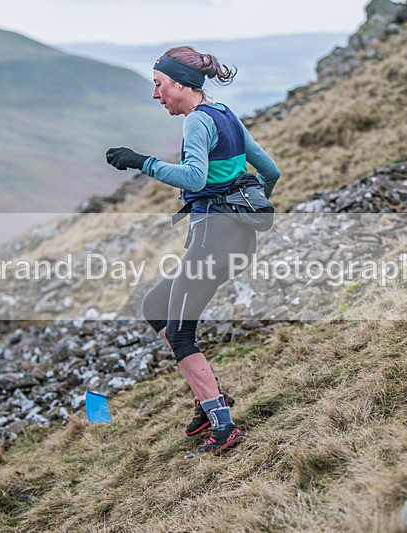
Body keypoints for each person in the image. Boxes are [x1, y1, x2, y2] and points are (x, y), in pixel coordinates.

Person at [106, 45, 280, 460]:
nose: (156, 94)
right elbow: (269, 171)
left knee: (181, 332)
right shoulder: (225, 114)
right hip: (233, 240)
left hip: (212, 242)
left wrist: (142, 162)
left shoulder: (198, 121)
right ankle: (208, 399)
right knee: (155, 306)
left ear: (181, 84)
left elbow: (195, 178)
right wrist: (245, 205)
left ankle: (223, 425)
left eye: (159, 85)